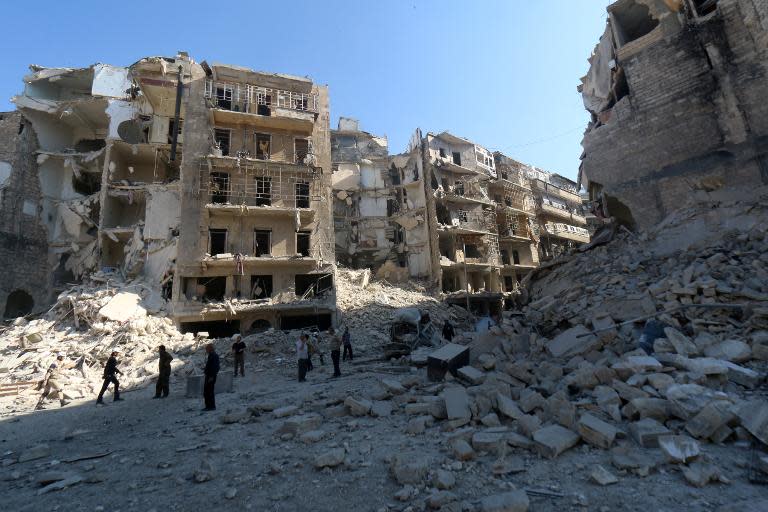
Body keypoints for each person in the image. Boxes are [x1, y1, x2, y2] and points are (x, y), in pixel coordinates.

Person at [202, 344, 220, 411]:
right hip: (209, 376)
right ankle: (208, 406)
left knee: (209, 391)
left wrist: (212, 376)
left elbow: (215, 367)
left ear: (210, 349)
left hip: (211, 376)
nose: (206, 350)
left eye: (207, 349)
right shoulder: (211, 355)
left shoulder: (214, 356)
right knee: (207, 391)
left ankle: (211, 406)